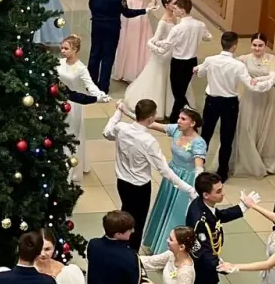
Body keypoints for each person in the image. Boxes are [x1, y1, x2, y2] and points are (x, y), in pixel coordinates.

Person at [103, 100, 196, 249]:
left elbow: (107, 133)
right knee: (136, 224)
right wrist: (189, 188)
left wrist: (118, 112)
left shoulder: (121, 128)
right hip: (140, 188)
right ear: (151, 117)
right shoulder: (149, 141)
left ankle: (119, 247)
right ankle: (132, 254)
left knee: (125, 215)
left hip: (122, 182)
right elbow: (165, 171)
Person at [194, 31, 275, 182]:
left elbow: (200, 74)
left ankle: (198, 165)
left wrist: (198, 69)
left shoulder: (210, 60)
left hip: (211, 101)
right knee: (226, 139)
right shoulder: (238, 65)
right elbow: (251, 86)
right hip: (230, 103)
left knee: (205, 134)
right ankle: (222, 171)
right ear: (235, 46)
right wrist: (270, 82)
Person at [124, 106, 207, 255]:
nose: (178, 121)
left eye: (183, 119)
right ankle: (158, 242)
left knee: (177, 212)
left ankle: (172, 248)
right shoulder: (176, 130)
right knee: (165, 208)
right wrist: (127, 112)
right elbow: (148, 123)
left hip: (186, 180)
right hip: (171, 175)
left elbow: (198, 168)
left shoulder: (198, 143)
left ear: (193, 123)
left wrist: (196, 187)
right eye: (179, 118)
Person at [185, 172, 248, 284]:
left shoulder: (203, 206)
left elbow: (218, 216)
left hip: (205, 266)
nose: (223, 193)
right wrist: (221, 266)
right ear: (206, 194)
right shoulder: (199, 219)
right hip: (203, 274)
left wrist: (242, 207)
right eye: (218, 191)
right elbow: (203, 252)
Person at [123, 0, 191, 115]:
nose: (176, 6)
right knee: (160, 80)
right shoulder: (163, 21)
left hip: (174, 53)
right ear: (167, 5)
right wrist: (159, 47)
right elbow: (155, 39)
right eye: (174, 3)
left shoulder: (176, 19)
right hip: (163, 55)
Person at [87, 0, 150, 92]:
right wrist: (144, 11)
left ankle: (90, 83)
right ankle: (103, 86)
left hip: (97, 24)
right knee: (108, 56)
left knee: (95, 53)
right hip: (112, 28)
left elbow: (91, 5)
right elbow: (127, 13)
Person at [148, 0, 212, 122]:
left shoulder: (177, 28)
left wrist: (154, 43)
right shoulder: (200, 25)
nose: (174, 10)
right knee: (181, 91)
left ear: (182, 11)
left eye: (176, 8)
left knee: (178, 93)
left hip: (178, 63)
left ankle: (189, 116)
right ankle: (175, 118)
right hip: (192, 62)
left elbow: (167, 46)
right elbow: (208, 37)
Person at [57, 34, 110, 184]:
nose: (62, 51)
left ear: (75, 50)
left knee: (70, 135)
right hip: (58, 102)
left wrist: (100, 95)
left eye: (66, 48)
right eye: (62, 48)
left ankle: (68, 172)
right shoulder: (59, 63)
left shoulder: (81, 68)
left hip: (73, 105)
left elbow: (90, 85)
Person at [231, 33, 275, 177]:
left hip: (267, 96)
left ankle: (265, 158)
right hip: (251, 96)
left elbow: (273, 76)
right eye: (254, 45)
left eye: (260, 45)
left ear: (265, 46)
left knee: (265, 125)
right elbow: (229, 63)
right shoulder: (245, 58)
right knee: (248, 124)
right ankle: (249, 157)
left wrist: (257, 79)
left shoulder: (271, 58)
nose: (257, 48)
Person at [111, 0, 156, 82]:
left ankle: (134, 70)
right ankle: (122, 70)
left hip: (138, 11)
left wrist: (151, 4)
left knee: (135, 39)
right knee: (124, 38)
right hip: (126, 9)